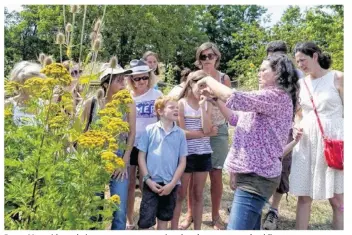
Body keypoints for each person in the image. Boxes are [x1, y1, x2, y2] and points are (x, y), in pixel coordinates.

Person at [197, 53, 299, 230]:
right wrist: (215, 99)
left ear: (278, 73)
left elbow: (234, 97)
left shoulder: (277, 97)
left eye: (263, 69)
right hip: (252, 173)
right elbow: (235, 118)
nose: (259, 73)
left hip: (257, 176)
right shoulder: (266, 97)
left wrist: (207, 77)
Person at [290, 42, 344, 230]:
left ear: (315, 56)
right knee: (304, 197)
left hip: (334, 142)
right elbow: (299, 114)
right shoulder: (300, 84)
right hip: (306, 142)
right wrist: (296, 127)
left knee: (338, 200)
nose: (301, 65)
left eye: (303, 60)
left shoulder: (338, 77)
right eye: (297, 62)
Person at [81, 63, 136, 230]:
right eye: (119, 80)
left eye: (124, 79)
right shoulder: (92, 103)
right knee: (94, 208)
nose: (124, 83)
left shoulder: (128, 103)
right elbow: (84, 131)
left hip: (119, 157)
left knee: (118, 210)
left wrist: (124, 160)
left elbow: (132, 134)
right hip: (95, 158)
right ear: (106, 83)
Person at [262, 40, 305, 230]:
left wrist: (297, 124)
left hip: (286, 128)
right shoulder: (266, 70)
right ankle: (257, 202)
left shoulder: (296, 75)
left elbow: (300, 105)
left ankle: (274, 209)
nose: (275, 57)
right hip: (265, 128)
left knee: (282, 167)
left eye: (279, 53)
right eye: (272, 54)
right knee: (261, 164)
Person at [170, 70, 216, 230]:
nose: (203, 90)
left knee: (198, 194)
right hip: (185, 155)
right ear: (191, 84)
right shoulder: (182, 103)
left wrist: (203, 108)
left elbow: (207, 126)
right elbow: (182, 134)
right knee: (180, 194)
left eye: (206, 86)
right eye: (200, 85)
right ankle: (173, 228)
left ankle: (197, 229)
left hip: (203, 154)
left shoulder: (207, 103)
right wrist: (205, 133)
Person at [136, 96, 187, 230]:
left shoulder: (180, 134)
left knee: (164, 219)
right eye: (171, 107)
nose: (176, 109)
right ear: (160, 111)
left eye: (177, 107)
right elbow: (141, 156)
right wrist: (147, 180)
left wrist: (172, 184)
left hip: (170, 184)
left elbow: (182, 162)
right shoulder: (149, 130)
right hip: (151, 182)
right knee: (145, 222)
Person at [125, 59, 163, 229]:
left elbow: (163, 120)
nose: (141, 81)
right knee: (130, 182)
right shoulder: (126, 96)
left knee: (147, 182)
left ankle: (146, 220)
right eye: (137, 78)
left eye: (144, 78)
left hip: (151, 144)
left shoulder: (157, 96)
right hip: (131, 143)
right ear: (131, 80)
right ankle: (128, 219)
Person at [5, 61, 46, 126]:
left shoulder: (45, 105)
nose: (38, 86)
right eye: (32, 83)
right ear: (18, 83)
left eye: (38, 82)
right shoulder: (9, 105)